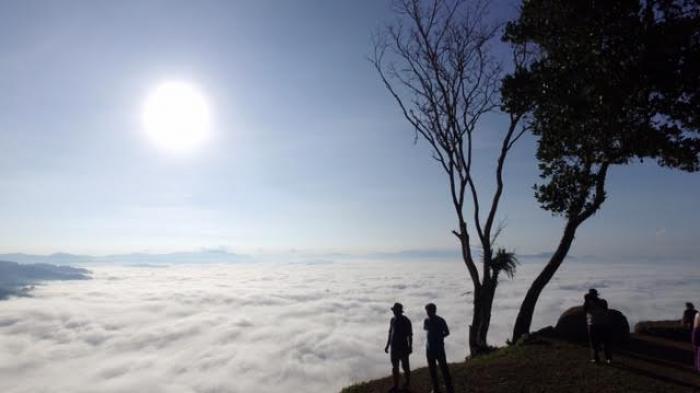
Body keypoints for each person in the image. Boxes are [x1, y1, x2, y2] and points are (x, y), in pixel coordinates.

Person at [424, 303, 454, 393]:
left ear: (434, 311)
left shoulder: (440, 320)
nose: (427, 313)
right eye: (427, 311)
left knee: (444, 368)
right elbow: (427, 330)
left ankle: (449, 388)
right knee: (432, 370)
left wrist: (440, 337)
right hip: (429, 349)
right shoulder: (426, 321)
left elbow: (447, 332)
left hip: (439, 349)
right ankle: (436, 388)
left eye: (428, 311)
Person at [385, 302, 412, 391]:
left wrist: (410, 347)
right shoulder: (392, 320)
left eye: (395, 310)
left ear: (399, 311)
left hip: (403, 347)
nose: (394, 312)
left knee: (405, 366)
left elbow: (410, 335)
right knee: (395, 367)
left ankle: (407, 383)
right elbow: (390, 333)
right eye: (394, 310)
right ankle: (396, 385)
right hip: (394, 348)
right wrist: (387, 345)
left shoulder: (406, 320)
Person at [583, 288, 612, 363]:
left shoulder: (601, 302)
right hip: (602, 324)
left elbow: (585, 310)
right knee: (603, 342)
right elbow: (585, 309)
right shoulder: (600, 302)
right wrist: (587, 301)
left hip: (594, 324)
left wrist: (588, 301)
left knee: (596, 343)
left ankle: (597, 358)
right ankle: (607, 358)